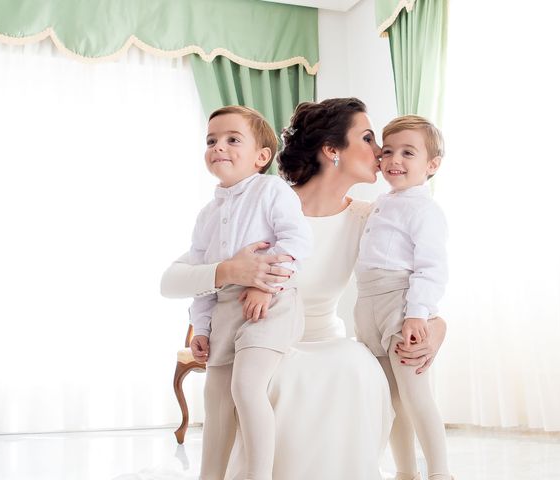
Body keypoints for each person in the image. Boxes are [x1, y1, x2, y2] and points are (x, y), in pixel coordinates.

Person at [160, 98, 447, 480]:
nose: (380, 152)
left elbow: (406, 279)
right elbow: (171, 280)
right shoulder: (264, 204)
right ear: (332, 151)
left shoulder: (370, 218)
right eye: (368, 138)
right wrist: (229, 270)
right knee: (271, 377)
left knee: (354, 365)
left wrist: (437, 327)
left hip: (328, 341)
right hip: (265, 339)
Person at [185, 105, 312, 480]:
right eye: (212, 141)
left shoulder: (271, 190)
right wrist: (203, 328)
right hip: (226, 308)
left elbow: (296, 240)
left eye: (232, 139)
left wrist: (263, 284)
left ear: (261, 157)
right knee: (216, 397)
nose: (218, 147)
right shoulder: (207, 214)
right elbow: (200, 276)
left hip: (270, 304)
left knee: (246, 385)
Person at [354, 115, 452, 480]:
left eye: (408, 153)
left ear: (431, 165)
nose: (394, 160)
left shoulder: (424, 210)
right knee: (391, 401)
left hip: (401, 303)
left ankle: (440, 472)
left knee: (415, 395)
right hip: (368, 305)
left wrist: (417, 314)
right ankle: (405, 472)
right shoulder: (382, 202)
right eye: (389, 151)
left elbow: (431, 268)